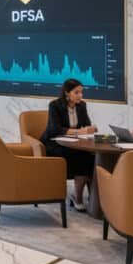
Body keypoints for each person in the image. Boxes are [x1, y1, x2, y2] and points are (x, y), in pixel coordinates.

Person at [41, 78, 97, 211]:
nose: (80, 96)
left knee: (91, 157)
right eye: (76, 92)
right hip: (54, 143)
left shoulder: (82, 105)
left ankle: (93, 197)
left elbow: (86, 124)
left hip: (73, 143)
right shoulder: (55, 105)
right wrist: (78, 131)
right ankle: (77, 197)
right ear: (67, 93)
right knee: (81, 157)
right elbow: (55, 129)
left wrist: (91, 129)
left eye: (81, 92)